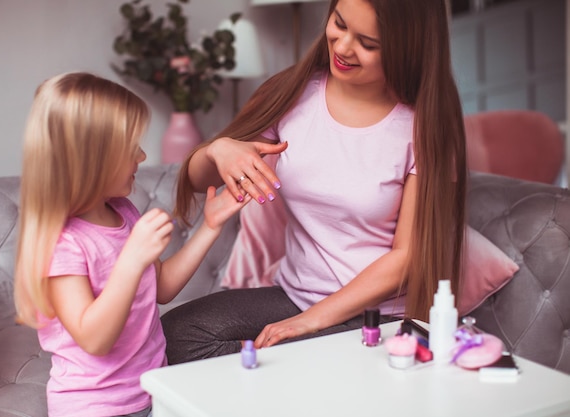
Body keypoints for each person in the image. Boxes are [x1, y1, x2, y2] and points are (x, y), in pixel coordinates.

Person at [162, 0, 467, 365]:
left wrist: (308, 323)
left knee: (294, 362)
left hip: (378, 317)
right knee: (176, 336)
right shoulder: (292, 92)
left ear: (407, 47)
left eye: (367, 43)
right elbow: (198, 179)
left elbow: (406, 257)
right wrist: (220, 150)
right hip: (294, 296)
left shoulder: (423, 127)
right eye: (339, 23)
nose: (341, 47)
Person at [13, 72, 249, 417]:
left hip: (151, 390)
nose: (141, 156)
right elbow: (94, 338)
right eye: (129, 149)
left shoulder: (123, 211)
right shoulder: (62, 244)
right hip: (93, 408)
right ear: (91, 162)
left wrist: (210, 227)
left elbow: (161, 288)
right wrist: (131, 260)